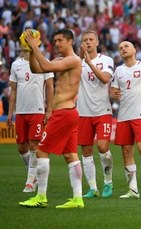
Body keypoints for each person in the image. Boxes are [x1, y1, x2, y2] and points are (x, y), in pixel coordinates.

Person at [19, 29, 84, 208]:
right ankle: (78, 199)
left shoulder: (73, 60)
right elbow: (36, 69)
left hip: (63, 113)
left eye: (60, 40)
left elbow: (46, 68)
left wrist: (33, 45)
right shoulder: (60, 61)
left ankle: (41, 197)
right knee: (70, 155)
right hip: (68, 113)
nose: (57, 44)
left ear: (70, 41)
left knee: (40, 150)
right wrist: (32, 51)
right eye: (55, 40)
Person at [110, 41, 141, 199]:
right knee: (126, 151)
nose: (123, 49)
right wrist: (113, 94)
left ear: (134, 50)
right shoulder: (119, 70)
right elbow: (113, 92)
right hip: (123, 116)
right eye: (120, 48)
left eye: (126, 46)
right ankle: (133, 189)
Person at [7, 48, 53, 193]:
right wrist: (10, 112)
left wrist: (49, 109)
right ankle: (33, 173)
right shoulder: (16, 65)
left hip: (37, 110)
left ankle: (30, 181)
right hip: (20, 111)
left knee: (34, 144)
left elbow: (50, 86)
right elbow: (13, 90)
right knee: (22, 147)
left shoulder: (44, 62)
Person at [77, 30, 114, 198]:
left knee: (103, 146)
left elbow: (105, 79)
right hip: (83, 112)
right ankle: (93, 188)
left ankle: (108, 182)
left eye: (91, 39)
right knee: (86, 150)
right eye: (85, 40)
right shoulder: (77, 62)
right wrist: (80, 58)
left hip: (102, 111)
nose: (88, 42)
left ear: (97, 42)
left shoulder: (106, 60)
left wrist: (89, 62)